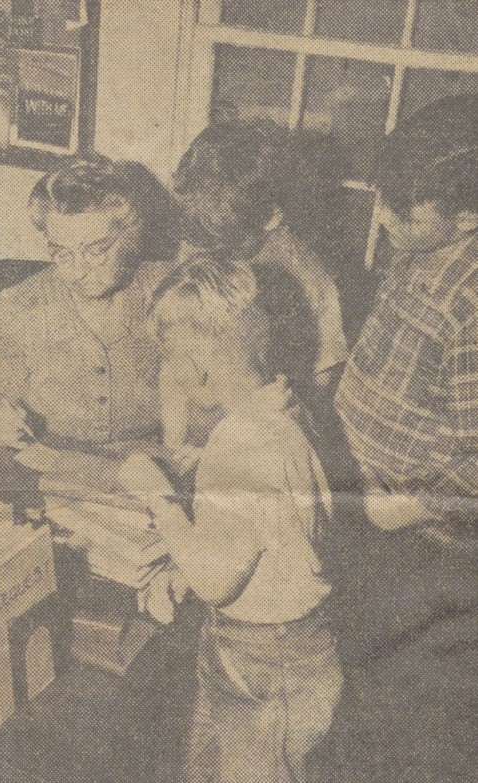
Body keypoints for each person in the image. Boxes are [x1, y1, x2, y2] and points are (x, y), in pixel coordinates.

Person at [118, 259, 341, 783]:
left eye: (167, 359)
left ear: (197, 364)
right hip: (273, 642)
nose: (164, 374)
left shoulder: (244, 444)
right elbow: (268, 534)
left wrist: (158, 497)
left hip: (265, 658)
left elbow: (216, 580)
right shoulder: (283, 407)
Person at [321, 95, 478, 783]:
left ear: (467, 217)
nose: (381, 217)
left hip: (423, 550)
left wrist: (401, 509)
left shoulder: (471, 303)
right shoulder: (420, 249)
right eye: (382, 197)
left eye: (401, 210)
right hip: (367, 514)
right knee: (342, 679)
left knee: (392, 719)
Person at [0, 155, 179, 457]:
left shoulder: (169, 293)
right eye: (62, 253)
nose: (77, 270)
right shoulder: (17, 306)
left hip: (147, 461)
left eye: (96, 250)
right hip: (51, 459)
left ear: (131, 237)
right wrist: (1, 421)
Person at [170, 118, 348, 450]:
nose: (204, 253)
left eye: (223, 242)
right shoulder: (205, 231)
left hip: (261, 427)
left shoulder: (307, 278)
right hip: (201, 402)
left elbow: (323, 376)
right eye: (197, 238)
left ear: (271, 217)